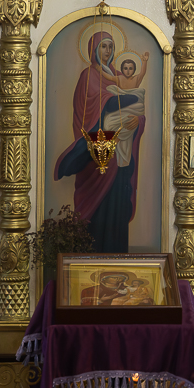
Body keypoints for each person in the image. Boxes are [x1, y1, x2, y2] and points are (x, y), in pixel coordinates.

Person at [54, 31, 146, 252]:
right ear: (93, 49)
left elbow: (137, 111)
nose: (107, 51)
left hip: (119, 155)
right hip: (97, 154)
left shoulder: (118, 74)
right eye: (103, 46)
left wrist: (137, 120)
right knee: (96, 213)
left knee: (117, 204)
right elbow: (92, 109)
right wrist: (126, 99)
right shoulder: (88, 76)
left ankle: (116, 254)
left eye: (110, 46)